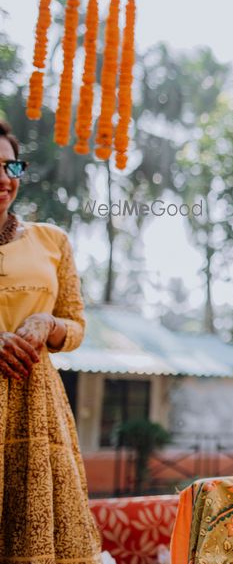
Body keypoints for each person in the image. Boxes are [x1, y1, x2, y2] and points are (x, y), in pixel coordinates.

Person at [0, 120, 101, 562]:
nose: (5, 179)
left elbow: (76, 324)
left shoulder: (51, 240)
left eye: (11, 166)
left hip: (35, 406)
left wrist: (46, 322)